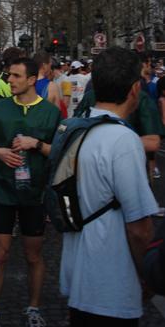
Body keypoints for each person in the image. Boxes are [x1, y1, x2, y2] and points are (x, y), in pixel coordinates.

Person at [60, 47, 158, 326]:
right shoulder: (123, 141)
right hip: (111, 283)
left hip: (78, 275)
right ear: (134, 89)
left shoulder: (74, 131)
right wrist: (148, 274)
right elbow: (139, 228)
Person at [0, 58, 61, 327]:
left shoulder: (51, 112)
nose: (9, 80)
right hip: (2, 188)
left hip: (34, 193)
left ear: (32, 79)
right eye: (8, 75)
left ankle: (34, 308)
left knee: (33, 255)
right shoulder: (0, 107)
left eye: (15, 76)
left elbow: (59, 152)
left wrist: (35, 143)